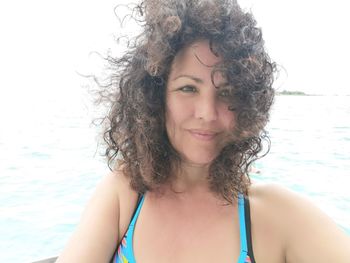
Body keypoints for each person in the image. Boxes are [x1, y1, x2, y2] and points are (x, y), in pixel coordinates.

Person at [56, 0, 350, 262]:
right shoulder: (125, 194)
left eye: (227, 92)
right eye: (188, 88)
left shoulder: (275, 214)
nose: (207, 113)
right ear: (156, 96)